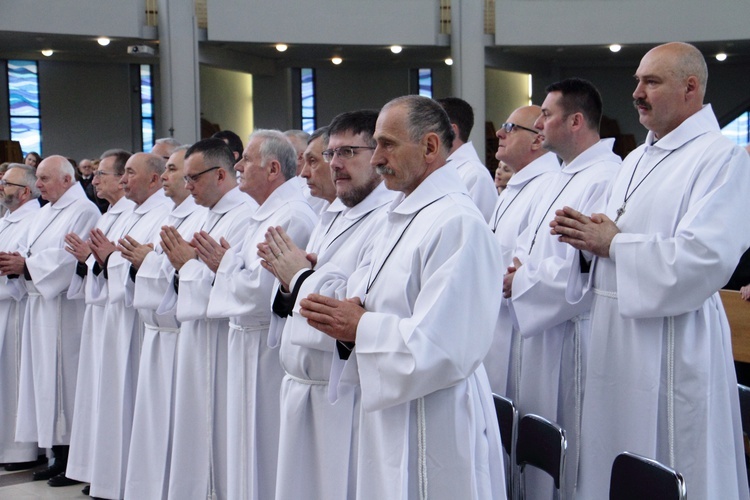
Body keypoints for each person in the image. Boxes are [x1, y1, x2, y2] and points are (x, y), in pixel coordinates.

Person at [551, 42, 750, 499]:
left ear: (690, 88)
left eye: (651, 82)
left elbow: (704, 259)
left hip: (673, 342)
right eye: (638, 81)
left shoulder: (721, 158)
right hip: (616, 341)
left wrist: (615, 243)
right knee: (612, 453)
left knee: (669, 459)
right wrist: (587, 241)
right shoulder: (638, 157)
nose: (637, 92)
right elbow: (615, 236)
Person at [299, 95, 506, 499]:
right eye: (375, 144)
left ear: (429, 147)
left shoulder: (459, 223)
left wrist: (361, 325)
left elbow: (445, 347)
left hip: (436, 418)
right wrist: (339, 309)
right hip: (392, 412)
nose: (377, 158)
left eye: (387, 144)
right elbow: (364, 295)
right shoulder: (400, 215)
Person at [260, 110, 394, 500]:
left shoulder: (388, 218)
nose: (334, 164)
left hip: (344, 392)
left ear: (379, 153)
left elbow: (357, 306)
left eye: (348, 152)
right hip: (304, 385)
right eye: (330, 153)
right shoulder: (332, 213)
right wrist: (289, 282)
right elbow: (303, 285)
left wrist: (300, 276)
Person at [503, 78, 620, 498]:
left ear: (575, 121)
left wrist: (523, 281)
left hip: (572, 337)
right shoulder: (558, 177)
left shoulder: (606, 177)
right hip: (537, 327)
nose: (539, 124)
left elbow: (584, 269)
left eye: (546, 116)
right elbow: (527, 246)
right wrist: (520, 275)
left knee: (568, 449)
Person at [195, 129, 316, 500]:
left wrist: (224, 263)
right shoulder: (265, 213)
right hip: (246, 343)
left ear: (274, 168)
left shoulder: (291, 216)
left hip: (267, 346)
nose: (239, 165)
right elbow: (248, 277)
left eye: (246, 159)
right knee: (246, 442)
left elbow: (260, 292)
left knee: (264, 443)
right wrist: (229, 265)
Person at [69, 153, 171, 498]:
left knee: (129, 401)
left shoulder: (162, 213)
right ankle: (111, 475)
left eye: (129, 173)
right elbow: (117, 260)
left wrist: (110, 258)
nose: (123, 180)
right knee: (112, 398)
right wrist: (98, 259)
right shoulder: (127, 212)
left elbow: (146, 265)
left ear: (154, 180)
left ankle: (126, 478)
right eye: (123, 173)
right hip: (114, 318)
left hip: (138, 324)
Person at [162, 138, 256, 500]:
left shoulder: (245, 214)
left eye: (193, 179)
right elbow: (186, 266)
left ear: (220, 174)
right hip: (195, 334)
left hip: (221, 337)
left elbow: (232, 279)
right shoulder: (203, 213)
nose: (188, 187)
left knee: (219, 427)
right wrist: (184, 265)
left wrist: (188, 265)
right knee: (195, 426)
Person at [4, 156, 100, 484]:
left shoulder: (84, 211)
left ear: (66, 180)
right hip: (40, 307)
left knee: (67, 383)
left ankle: (73, 458)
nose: (39, 186)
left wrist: (27, 266)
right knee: (45, 383)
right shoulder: (45, 211)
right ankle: (57, 454)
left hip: (65, 310)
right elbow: (26, 249)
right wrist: (21, 262)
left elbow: (68, 259)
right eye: (39, 179)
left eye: (44, 179)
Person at [122, 145, 207, 499]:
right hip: (160, 330)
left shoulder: (200, 215)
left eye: (174, 170)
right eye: (170, 170)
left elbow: (185, 268)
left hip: (182, 334)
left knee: (182, 428)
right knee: (156, 424)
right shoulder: (172, 214)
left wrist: (148, 261)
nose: (169, 177)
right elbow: (161, 263)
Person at [65, 149, 135, 495]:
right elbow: (104, 262)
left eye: (102, 174)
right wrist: (90, 261)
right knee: (99, 396)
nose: (95, 180)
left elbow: (127, 264)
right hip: (102, 315)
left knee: (115, 397)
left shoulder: (134, 214)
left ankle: (113, 472)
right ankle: (100, 469)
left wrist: (104, 260)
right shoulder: (109, 215)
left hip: (123, 319)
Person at [484, 105, 559, 397]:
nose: (500, 133)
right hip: (496, 321)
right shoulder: (515, 185)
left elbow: (530, 261)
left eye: (510, 127)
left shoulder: (548, 186)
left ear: (538, 140)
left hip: (522, 330)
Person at [0, 165, 44, 471]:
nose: (1, 187)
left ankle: (20, 450)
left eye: (6, 183)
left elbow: (20, 261)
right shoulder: (7, 219)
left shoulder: (34, 220)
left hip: (17, 309)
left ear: (25, 191)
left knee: (14, 381)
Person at [437, 97, 498, 221]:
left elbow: (482, 231)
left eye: (428, 126)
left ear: (452, 131)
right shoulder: (439, 169)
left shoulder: (475, 176)